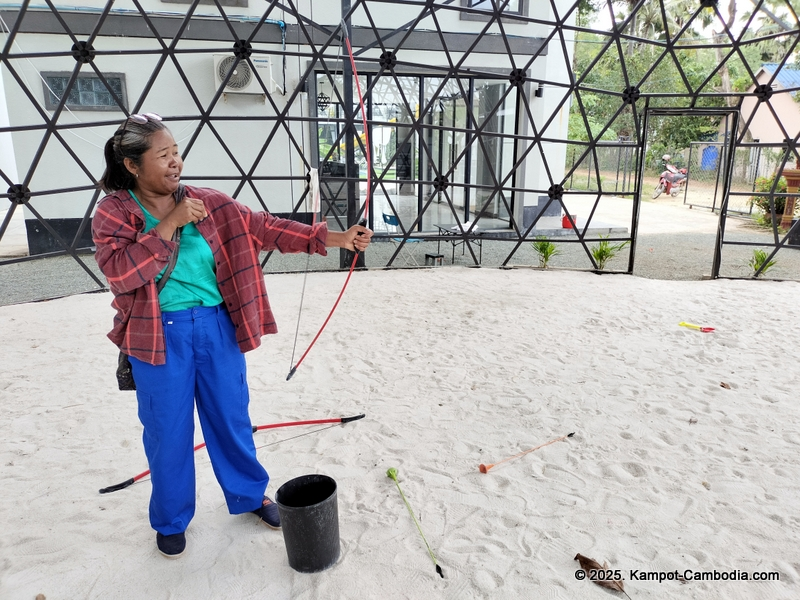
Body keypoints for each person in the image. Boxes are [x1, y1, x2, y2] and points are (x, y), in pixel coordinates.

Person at [92, 113, 372, 559]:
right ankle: (170, 519)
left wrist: (336, 238)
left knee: (231, 418)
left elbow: (265, 228)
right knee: (167, 431)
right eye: (162, 156)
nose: (175, 162)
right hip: (156, 334)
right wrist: (169, 226)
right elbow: (121, 273)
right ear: (132, 165)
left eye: (176, 152)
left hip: (217, 326)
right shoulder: (115, 212)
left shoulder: (211, 202)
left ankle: (248, 495)